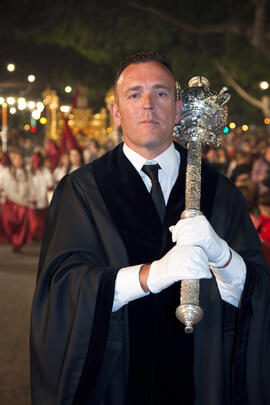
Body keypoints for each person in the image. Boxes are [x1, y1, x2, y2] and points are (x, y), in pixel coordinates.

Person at [30, 52, 270, 405]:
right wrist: (149, 276)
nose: (148, 105)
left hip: (200, 379)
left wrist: (223, 257)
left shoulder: (221, 193)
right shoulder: (81, 191)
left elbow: (259, 294)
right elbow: (61, 291)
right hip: (117, 380)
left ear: (178, 108)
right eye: (134, 94)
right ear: (116, 112)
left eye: (160, 93)